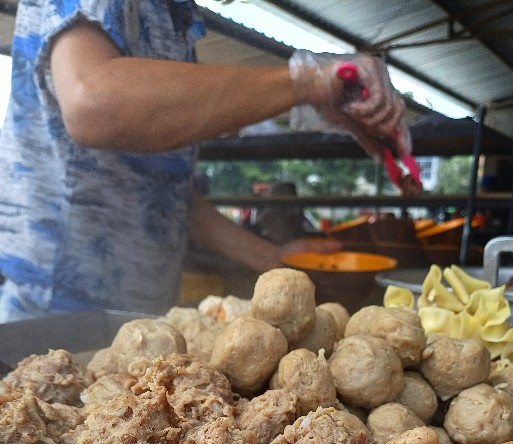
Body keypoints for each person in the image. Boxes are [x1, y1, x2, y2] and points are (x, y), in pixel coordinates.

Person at [0, 0, 411, 322]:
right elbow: (92, 101)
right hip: (56, 318)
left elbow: (162, 191)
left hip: (141, 320)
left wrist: (272, 259)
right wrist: (307, 82)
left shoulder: (172, 19)